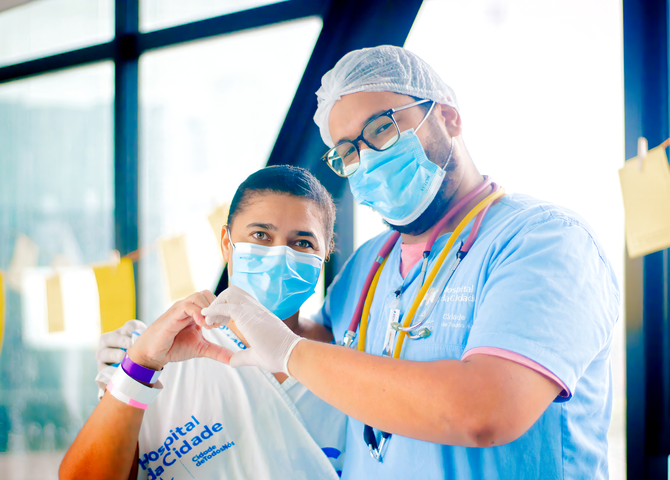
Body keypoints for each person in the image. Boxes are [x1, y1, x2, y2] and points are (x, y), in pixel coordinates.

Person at [201, 46, 620, 479]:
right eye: (347, 152)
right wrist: (159, 349)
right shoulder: (370, 263)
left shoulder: (545, 241)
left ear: (448, 116)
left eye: (381, 129)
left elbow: (486, 410)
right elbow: (317, 343)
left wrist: (288, 351)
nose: (367, 159)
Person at [60, 166, 346, 480]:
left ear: (325, 254)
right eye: (261, 235)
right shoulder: (165, 351)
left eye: (302, 243)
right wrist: (138, 367)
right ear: (226, 243)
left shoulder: (347, 358)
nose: (279, 255)